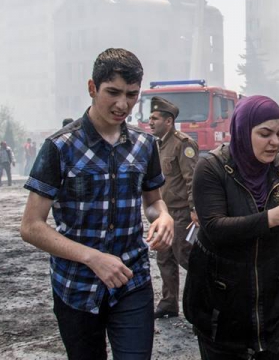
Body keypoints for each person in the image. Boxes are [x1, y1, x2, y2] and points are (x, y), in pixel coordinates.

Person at [20, 48, 175, 360]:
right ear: (92, 88)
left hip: (132, 282)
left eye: (131, 95)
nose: (123, 105)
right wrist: (93, 258)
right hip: (76, 288)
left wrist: (164, 217)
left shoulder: (144, 146)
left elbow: (153, 202)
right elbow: (31, 227)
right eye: (113, 93)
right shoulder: (59, 147)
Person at [183, 95, 279, 359]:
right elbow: (214, 227)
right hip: (222, 305)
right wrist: (271, 217)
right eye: (265, 134)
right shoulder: (211, 168)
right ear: (241, 131)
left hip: (275, 301)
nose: (275, 142)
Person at [148, 96, 199, 320]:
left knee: (184, 255)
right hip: (163, 213)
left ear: (168, 121)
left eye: (154, 118)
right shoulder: (156, 145)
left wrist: (194, 209)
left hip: (180, 213)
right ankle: (168, 303)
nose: (150, 122)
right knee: (164, 258)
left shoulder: (183, 144)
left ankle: (207, 295)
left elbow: (192, 180)